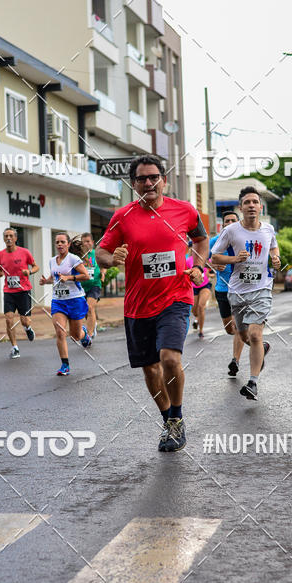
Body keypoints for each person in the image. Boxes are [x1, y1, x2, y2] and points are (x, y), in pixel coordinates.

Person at [96, 155, 208, 453]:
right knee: (150, 370)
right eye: (142, 179)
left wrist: (198, 266)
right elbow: (102, 251)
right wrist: (111, 259)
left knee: (170, 357)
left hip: (176, 296)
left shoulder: (184, 210)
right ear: (134, 184)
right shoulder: (122, 215)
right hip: (137, 304)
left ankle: (177, 418)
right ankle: (167, 418)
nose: (149, 183)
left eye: (154, 177)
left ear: (164, 180)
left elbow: (200, 240)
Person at [211, 187, 280, 401]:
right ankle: (261, 351)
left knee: (256, 334)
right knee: (242, 335)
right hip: (237, 291)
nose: (251, 205)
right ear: (240, 208)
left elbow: (274, 249)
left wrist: (275, 259)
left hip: (261, 289)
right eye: (247, 202)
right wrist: (234, 260)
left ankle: (253, 383)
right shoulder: (231, 231)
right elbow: (215, 257)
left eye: (255, 202)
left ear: (260, 207)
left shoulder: (268, 230)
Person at [40, 231, 92, 375]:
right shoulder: (52, 261)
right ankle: (65, 365)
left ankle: (84, 334)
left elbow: (86, 276)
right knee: (60, 332)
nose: (60, 244)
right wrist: (46, 281)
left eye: (63, 242)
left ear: (68, 244)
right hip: (58, 301)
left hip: (75, 300)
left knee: (75, 336)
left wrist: (69, 278)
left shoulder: (73, 259)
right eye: (57, 242)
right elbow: (55, 278)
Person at [0, 228, 39, 359]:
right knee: (8, 319)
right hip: (9, 291)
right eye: (6, 236)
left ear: (15, 238)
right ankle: (15, 348)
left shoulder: (25, 252)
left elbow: (36, 266)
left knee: (24, 321)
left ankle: (28, 329)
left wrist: (29, 272)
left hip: (24, 291)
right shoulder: (0, 255)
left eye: (11, 236)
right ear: (3, 238)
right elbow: (1, 271)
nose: (8, 238)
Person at [209, 211, 245, 375]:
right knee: (229, 329)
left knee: (238, 327)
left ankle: (235, 361)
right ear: (222, 224)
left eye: (233, 220)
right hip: (222, 290)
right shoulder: (215, 241)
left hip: (240, 289)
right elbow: (205, 259)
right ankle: (259, 344)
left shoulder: (244, 240)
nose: (230, 222)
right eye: (227, 221)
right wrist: (214, 266)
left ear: (238, 222)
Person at [78, 232, 105, 339]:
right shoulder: (78, 256)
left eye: (88, 241)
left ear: (93, 242)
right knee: (85, 310)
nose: (86, 244)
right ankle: (92, 325)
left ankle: (88, 336)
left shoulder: (97, 254)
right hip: (81, 287)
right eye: (83, 242)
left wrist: (103, 273)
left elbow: (104, 264)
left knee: (89, 307)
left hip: (95, 284)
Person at [186, 242, 212, 339]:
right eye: (192, 247)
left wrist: (211, 274)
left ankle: (201, 331)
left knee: (201, 306)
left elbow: (211, 269)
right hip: (193, 287)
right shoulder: (188, 261)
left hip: (205, 285)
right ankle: (197, 318)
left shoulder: (204, 259)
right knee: (194, 311)